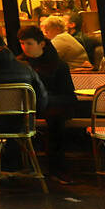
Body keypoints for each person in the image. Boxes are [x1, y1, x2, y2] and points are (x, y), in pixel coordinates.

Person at [17, 25, 76, 183]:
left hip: (52, 106)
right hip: (26, 107)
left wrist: (46, 99)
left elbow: (69, 95)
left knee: (56, 123)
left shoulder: (58, 65)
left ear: (41, 44)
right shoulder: (19, 64)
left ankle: (57, 169)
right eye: (22, 43)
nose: (25, 47)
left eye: (29, 43)